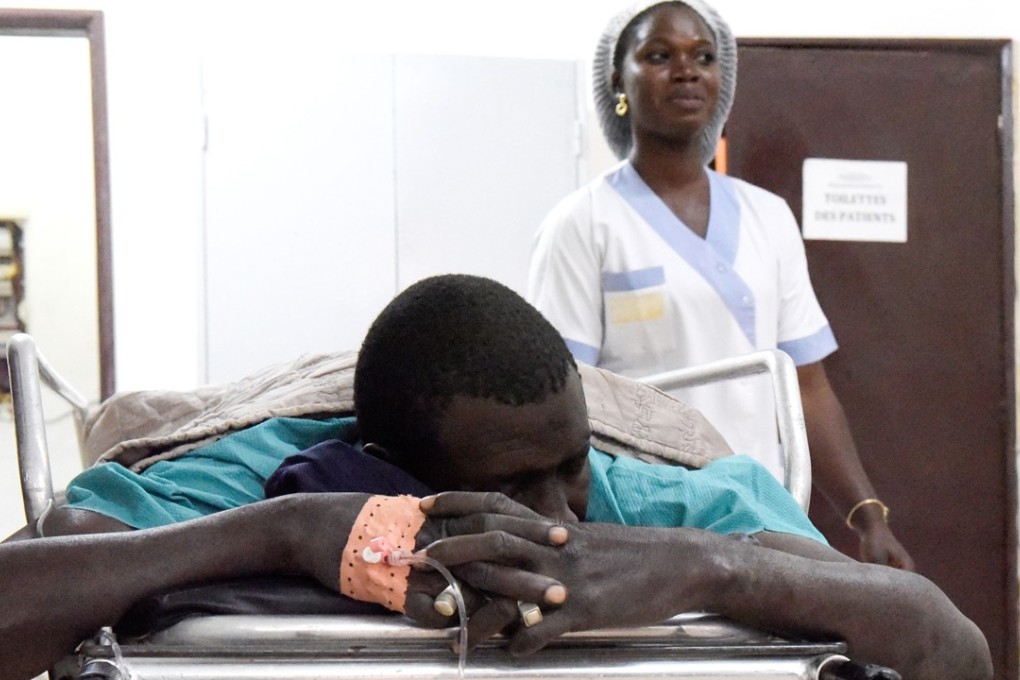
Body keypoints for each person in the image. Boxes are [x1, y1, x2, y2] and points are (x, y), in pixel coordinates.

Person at [0, 275, 989, 680]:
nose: (564, 518)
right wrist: (287, 530)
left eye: (571, 469)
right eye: (519, 486)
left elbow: (953, 644)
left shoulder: (657, 493)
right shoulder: (272, 471)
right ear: (383, 473)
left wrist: (708, 568)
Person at [526, 0, 913, 569]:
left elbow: (807, 386)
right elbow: (561, 399)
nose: (686, 70)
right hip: (650, 520)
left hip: (765, 511)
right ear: (619, 80)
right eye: (659, 56)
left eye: (703, 57)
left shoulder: (768, 217)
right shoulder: (583, 224)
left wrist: (868, 515)